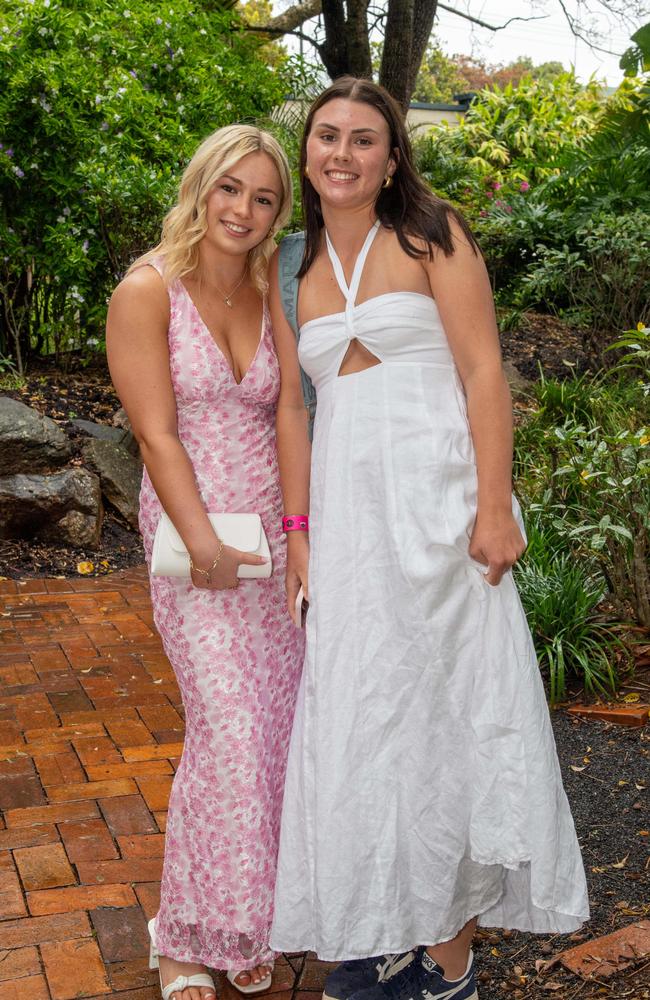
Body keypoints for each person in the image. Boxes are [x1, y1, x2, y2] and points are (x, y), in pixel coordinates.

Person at [268, 78, 589, 1000]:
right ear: (308, 152)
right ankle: (388, 926)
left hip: (442, 506)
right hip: (351, 524)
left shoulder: (433, 232)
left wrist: (495, 506)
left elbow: (485, 368)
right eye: (326, 136)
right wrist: (299, 537)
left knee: (451, 717)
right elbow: (295, 409)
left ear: (393, 154)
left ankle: (449, 956)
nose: (342, 153)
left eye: (363, 139)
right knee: (368, 719)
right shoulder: (296, 264)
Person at [106, 124, 304, 1000]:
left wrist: (298, 536)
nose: (245, 211)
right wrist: (203, 545)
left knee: (270, 737)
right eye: (231, 189)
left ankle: (244, 920)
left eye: (264, 198)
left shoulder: (274, 290)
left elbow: (291, 408)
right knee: (225, 731)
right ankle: (184, 937)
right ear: (202, 187)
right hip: (195, 549)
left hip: (270, 545)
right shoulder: (147, 290)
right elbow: (155, 433)